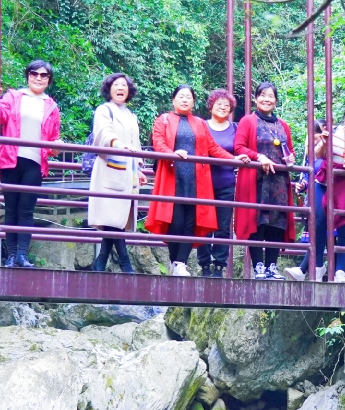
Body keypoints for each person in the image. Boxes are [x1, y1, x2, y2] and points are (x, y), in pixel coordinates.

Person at [147, 85, 240, 276]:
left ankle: (180, 263)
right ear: (173, 100)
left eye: (188, 97)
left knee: (191, 222)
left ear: (193, 102)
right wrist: (172, 154)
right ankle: (175, 262)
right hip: (173, 178)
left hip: (196, 180)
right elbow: (158, 143)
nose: (184, 100)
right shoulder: (163, 120)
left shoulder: (199, 123)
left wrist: (233, 159)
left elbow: (212, 147)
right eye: (181, 96)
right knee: (175, 223)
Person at [285, 102, 345, 282]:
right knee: (318, 225)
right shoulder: (333, 131)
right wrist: (324, 143)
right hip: (324, 180)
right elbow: (317, 154)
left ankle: (340, 271)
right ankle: (313, 268)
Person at [0, 60, 61, 268]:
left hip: (35, 161)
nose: (38, 78)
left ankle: (22, 256)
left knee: (26, 210)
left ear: (48, 80)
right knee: (11, 209)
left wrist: (56, 148)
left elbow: (53, 139)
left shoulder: (52, 106)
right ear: (28, 75)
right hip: (10, 158)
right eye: (34, 74)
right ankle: (11, 255)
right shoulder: (13, 96)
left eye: (43, 75)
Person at [234, 83, 297, 280]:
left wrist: (291, 159)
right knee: (257, 221)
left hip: (278, 181)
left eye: (270, 96)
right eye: (262, 95)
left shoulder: (283, 125)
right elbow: (239, 147)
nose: (266, 99)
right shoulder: (247, 121)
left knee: (277, 223)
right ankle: (258, 266)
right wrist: (259, 156)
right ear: (255, 98)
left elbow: (290, 150)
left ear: (276, 101)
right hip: (257, 180)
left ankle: (272, 266)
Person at [88, 73, 146, 274]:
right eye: (116, 85)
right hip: (109, 169)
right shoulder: (104, 110)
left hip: (127, 172)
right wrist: (118, 145)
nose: (120, 88)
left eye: (124, 85)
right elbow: (103, 133)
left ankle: (101, 261)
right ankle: (125, 262)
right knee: (113, 218)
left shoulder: (131, 115)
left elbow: (136, 144)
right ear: (109, 89)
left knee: (117, 219)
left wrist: (138, 169)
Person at [197, 89, 240, 277]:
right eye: (219, 104)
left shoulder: (235, 128)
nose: (223, 108)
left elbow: (240, 150)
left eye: (226, 105)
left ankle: (219, 266)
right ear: (211, 106)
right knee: (204, 224)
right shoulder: (201, 125)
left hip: (226, 182)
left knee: (223, 226)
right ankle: (204, 264)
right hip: (204, 182)